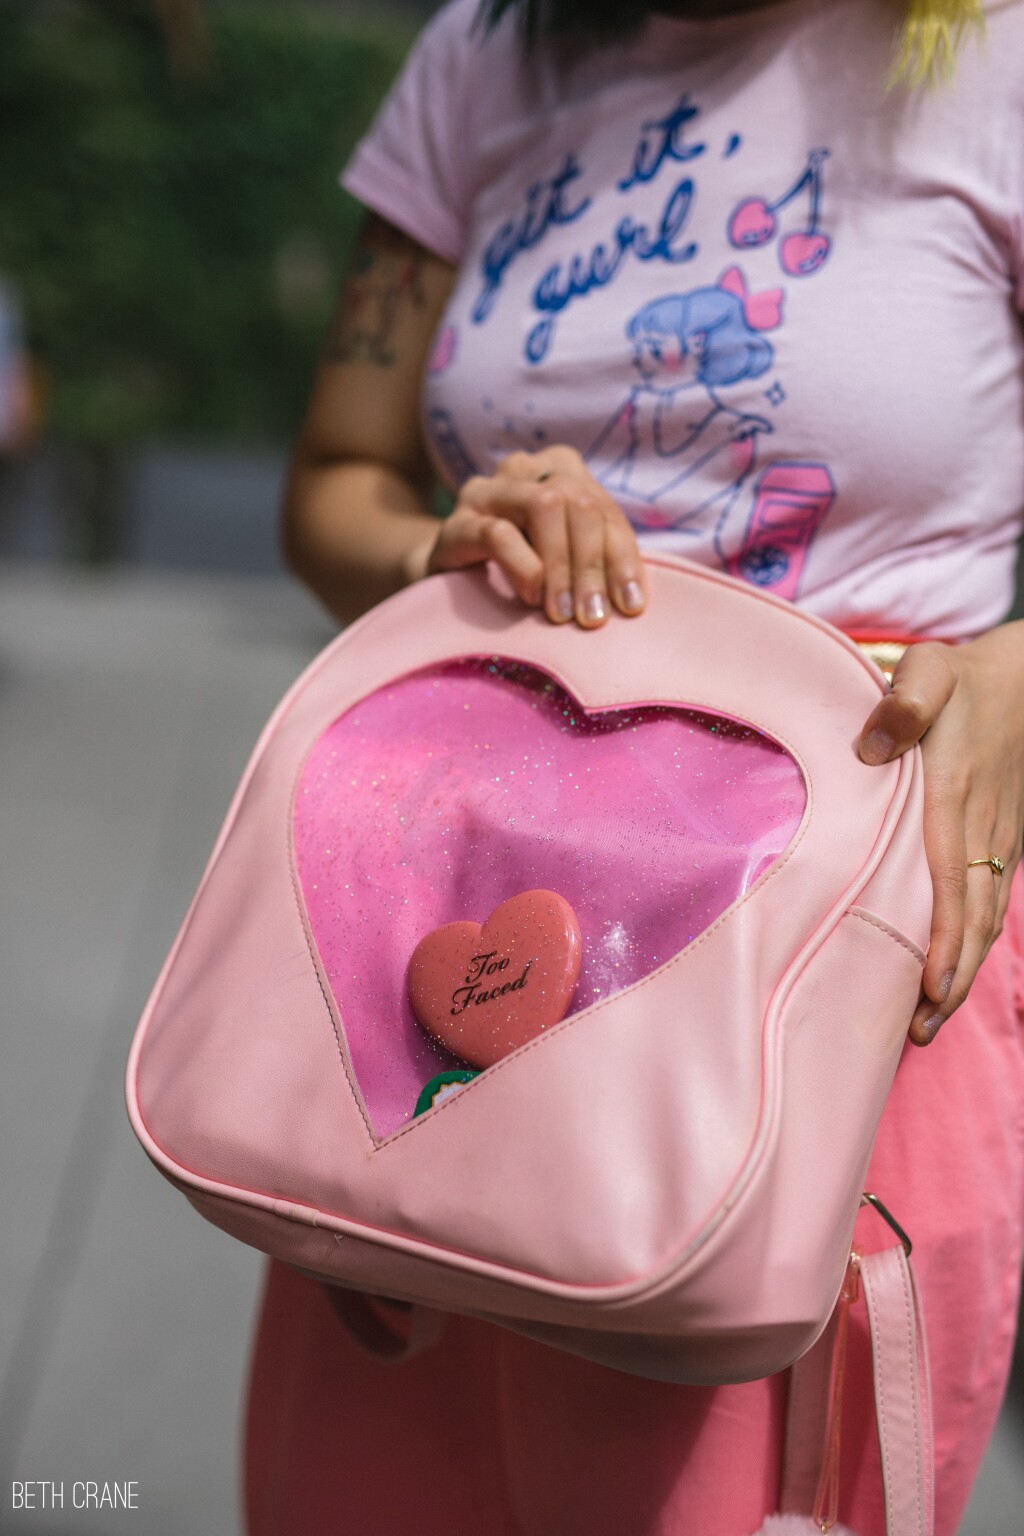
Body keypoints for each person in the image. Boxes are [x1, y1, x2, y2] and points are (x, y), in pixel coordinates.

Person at [246, 1, 1024, 1531]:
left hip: (838, 960)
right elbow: (338, 478)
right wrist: (437, 548)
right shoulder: (489, 50)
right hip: (443, 937)